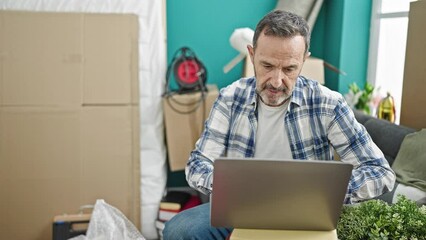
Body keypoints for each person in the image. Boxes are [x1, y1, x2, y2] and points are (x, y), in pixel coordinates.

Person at [163, 9, 395, 240]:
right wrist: (228, 188)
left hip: (307, 214)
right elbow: (197, 164)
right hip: (241, 210)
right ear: (251, 54)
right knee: (178, 230)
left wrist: (329, 194)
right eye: (267, 66)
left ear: (304, 60)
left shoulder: (328, 103)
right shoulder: (230, 98)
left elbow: (380, 172)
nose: (276, 81)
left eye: (289, 69)